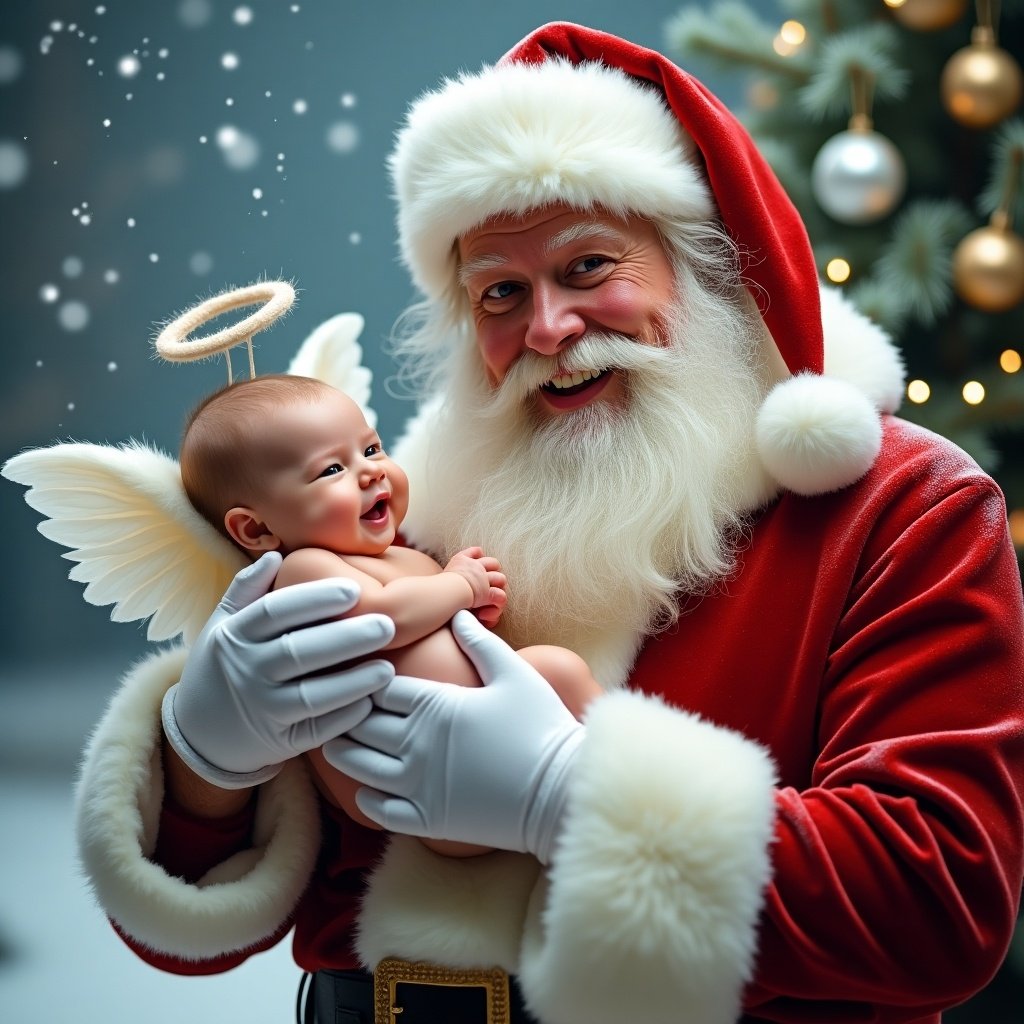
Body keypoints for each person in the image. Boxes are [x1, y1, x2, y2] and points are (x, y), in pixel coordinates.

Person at [60, 22, 1024, 1024]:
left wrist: (575, 794)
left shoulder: (902, 505)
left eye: (590, 266)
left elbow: (940, 906)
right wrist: (205, 758)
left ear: (705, 271)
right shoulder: (400, 506)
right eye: (501, 294)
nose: (548, 328)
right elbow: (190, 933)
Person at [175, 371, 600, 854]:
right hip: (417, 780)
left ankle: (615, 776)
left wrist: (470, 612)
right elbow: (382, 622)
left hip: (491, 752)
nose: (371, 471)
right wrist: (459, 585)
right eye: (331, 470)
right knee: (561, 669)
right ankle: (617, 777)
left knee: (561, 677)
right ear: (254, 529)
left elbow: (429, 629)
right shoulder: (305, 570)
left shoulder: (404, 556)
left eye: (371, 449)